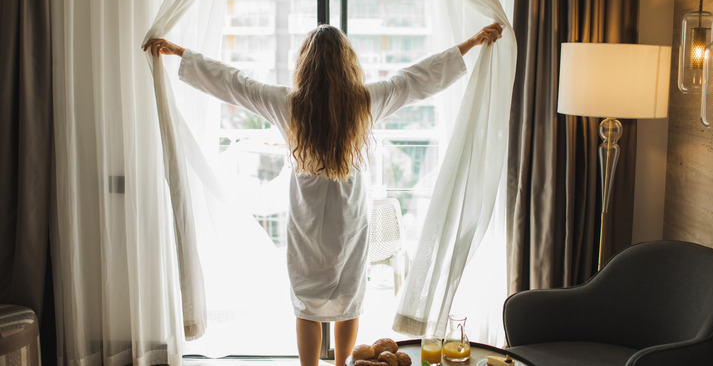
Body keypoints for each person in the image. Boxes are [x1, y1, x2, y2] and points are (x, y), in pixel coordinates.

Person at [143, 22, 502, 366]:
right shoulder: (365, 102)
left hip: (307, 227)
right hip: (349, 227)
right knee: (350, 304)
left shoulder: (289, 105)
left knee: (306, 308)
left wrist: (180, 53)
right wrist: (469, 44)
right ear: (348, 65)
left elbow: (236, 84)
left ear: (305, 66)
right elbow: (414, 80)